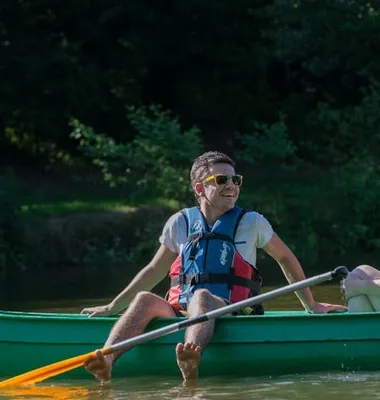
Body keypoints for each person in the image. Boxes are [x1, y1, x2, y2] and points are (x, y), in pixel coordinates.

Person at [82, 151, 346, 383]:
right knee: (143, 300)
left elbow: (286, 258)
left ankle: (190, 356)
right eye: (221, 180)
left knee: (203, 297)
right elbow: (154, 270)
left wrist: (311, 305)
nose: (231, 185)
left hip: (231, 309)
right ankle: (106, 360)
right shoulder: (180, 222)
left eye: (235, 180)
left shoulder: (251, 222)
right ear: (199, 189)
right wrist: (112, 307)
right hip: (182, 309)